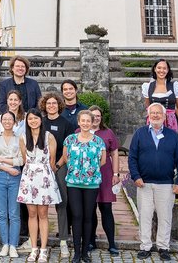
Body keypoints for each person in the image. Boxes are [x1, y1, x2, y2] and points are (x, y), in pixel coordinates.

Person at [129, 103, 178, 261]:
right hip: (144, 184)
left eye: (158, 113)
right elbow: (132, 157)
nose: (155, 115)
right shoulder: (140, 133)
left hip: (166, 184)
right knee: (145, 216)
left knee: (165, 217)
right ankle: (145, 246)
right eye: (152, 113)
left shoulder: (172, 135)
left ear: (164, 116)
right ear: (148, 116)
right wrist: (136, 176)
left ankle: (163, 247)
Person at [17, 108, 61, 263]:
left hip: (44, 178)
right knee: (31, 214)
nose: (33, 121)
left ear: (40, 120)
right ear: (27, 121)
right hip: (29, 177)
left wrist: (47, 176)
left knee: (43, 214)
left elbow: (52, 160)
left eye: (36, 118)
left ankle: (43, 249)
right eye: (30, 119)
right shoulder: (23, 138)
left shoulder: (49, 137)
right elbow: (24, 159)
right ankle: (33, 248)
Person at [62, 110, 107, 263]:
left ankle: (85, 252)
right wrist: (76, 171)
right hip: (73, 183)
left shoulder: (99, 142)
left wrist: (89, 173)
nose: (86, 123)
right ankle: (76, 252)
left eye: (89, 121)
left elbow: (102, 161)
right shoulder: (70, 140)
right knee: (77, 216)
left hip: (91, 184)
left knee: (88, 217)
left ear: (92, 122)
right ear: (79, 122)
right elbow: (66, 158)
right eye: (83, 121)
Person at [87, 104, 121, 256]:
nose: (95, 118)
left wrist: (116, 174)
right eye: (92, 116)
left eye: (98, 116)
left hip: (105, 174)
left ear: (101, 118)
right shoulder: (80, 132)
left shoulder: (108, 133)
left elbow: (114, 154)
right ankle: (91, 241)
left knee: (106, 208)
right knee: (90, 209)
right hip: (86, 176)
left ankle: (112, 243)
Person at [0, 111, 23, 258]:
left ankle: (13, 245)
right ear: (1, 122)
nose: (7, 121)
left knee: (14, 213)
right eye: (5, 119)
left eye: (10, 119)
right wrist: (8, 166)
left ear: (14, 122)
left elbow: (21, 160)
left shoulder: (19, 139)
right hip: (0, 176)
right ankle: (5, 244)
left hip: (16, 177)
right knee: (2, 213)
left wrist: (3, 160)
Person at [43, 92, 73, 258]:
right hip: (41, 168)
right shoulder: (40, 122)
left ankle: (63, 240)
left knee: (61, 202)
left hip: (60, 166)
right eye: (49, 103)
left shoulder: (66, 123)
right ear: (44, 105)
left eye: (54, 103)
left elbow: (67, 148)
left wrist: (58, 165)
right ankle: (40, 240)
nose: (51, 106)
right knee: (40, 205)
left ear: (59, 105)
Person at [142, 59, 178, 131]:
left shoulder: (174, 85)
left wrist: (171, 118)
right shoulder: (148, 86)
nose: (161, 70)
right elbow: (148, 106)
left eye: (164, 68)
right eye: (159, 68)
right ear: (155, 69)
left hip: (171, 122)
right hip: (154, 121)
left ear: (168, 70)